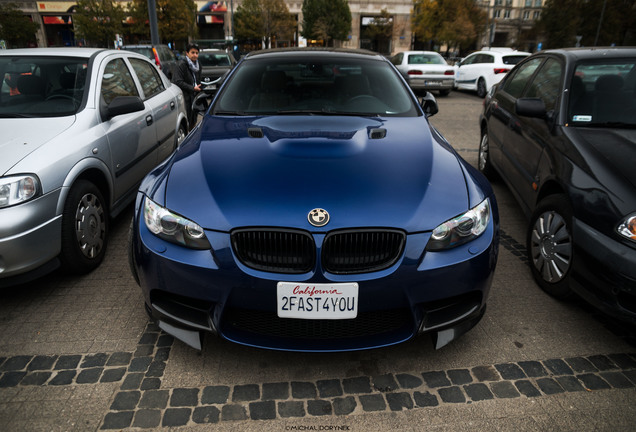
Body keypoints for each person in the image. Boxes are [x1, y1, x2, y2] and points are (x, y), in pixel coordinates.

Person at [173, 43, 202, 130]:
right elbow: (177, 81)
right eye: (192, 52)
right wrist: (192, 88)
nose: (195, 55)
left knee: (193, 120)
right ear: (187, 53)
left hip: (194, 96)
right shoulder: (182, 65)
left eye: (197, 53)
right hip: (184, 97)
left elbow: (198, 80)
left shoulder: (198, 65)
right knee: (186, 120)